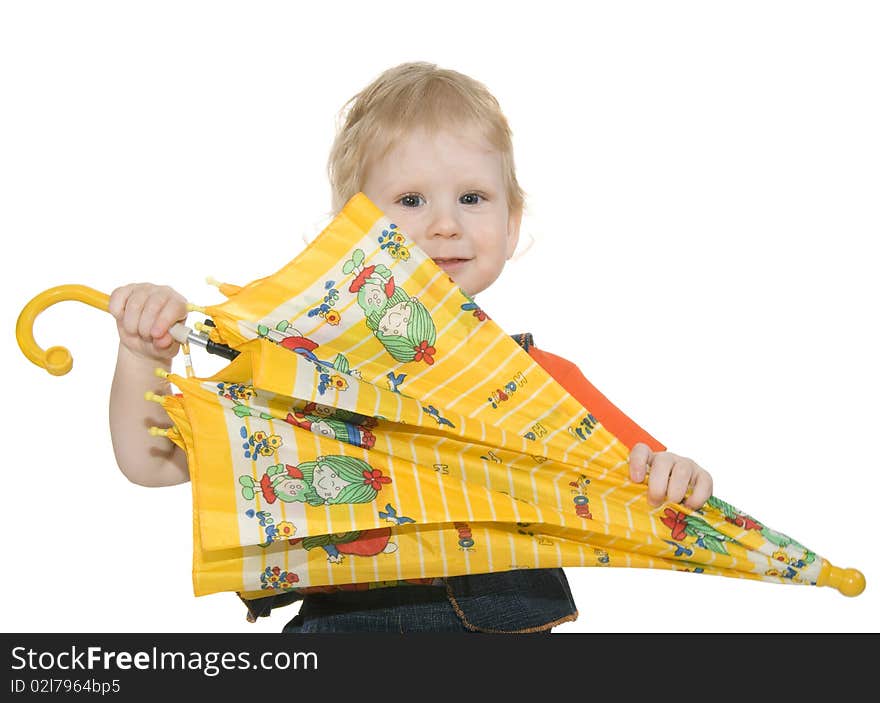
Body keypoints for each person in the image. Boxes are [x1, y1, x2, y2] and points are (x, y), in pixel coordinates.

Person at [108, 61, 714, 633]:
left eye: (472, 198)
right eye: (411, 201)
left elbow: (660, 487)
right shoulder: (305, 374)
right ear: (351, 232)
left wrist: (678, 473)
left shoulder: (540, 383)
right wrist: (144, 355)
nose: (445, 224)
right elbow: (153, 462)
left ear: (510, 222)